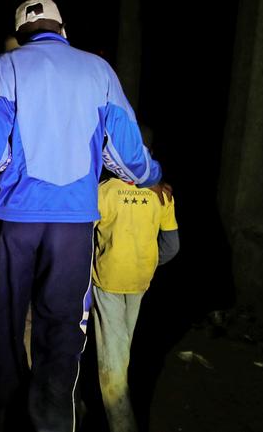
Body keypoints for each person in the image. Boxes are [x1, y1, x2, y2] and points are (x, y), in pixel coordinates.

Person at [0, 0, 170, 432]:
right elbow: (130, 160)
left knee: (3, 325)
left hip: (14, 219)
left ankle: (2, 421)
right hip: (75, 224)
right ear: (63, 29)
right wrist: (153, 176)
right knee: (61, 330)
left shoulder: (4, 68)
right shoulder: (100, 71)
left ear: (20, 36)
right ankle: (53, 421)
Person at [92, 149, 180, 432]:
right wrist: (149, 263)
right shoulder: (162, 195)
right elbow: (172, 246)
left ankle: (123, 426)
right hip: (140, 280)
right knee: (122, 351)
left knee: (112, 362)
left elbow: (81, 238)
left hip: (108, 280)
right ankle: (103, 410)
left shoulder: (103, 192)